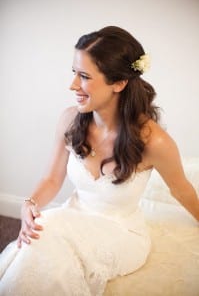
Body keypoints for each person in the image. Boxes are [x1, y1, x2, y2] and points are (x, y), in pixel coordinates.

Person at [0, 26, 198, 296]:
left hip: (122, 235)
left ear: (119, 82)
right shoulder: (69, 120)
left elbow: (181, 189)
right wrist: (30, 204)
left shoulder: (154, 141)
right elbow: (51, 178)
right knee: (40, 237)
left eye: (84, 76)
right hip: (73, 217)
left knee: (48, 229)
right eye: (74, 73)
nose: (72, 85)